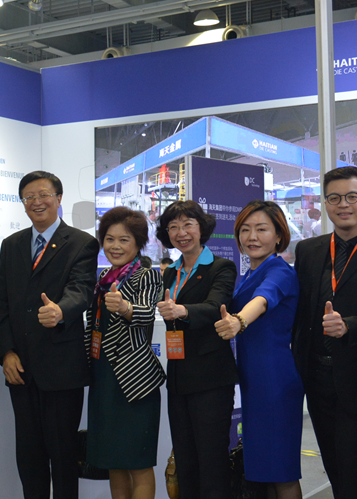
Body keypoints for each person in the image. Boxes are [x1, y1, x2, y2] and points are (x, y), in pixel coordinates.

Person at [0, 171, 99, 499]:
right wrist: (6, 352)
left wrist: (61, 311)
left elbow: (82, 290)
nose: (37, 202)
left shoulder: (81, 243)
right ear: (23, 203)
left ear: (59, 198)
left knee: (63, 458)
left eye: (44, 195)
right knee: (29, 458)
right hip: (21, 370)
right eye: (29, 197)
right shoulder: (11, 245)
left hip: (61, 370)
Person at [291, 167, 357, 499]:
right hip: (316, 375)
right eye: (334, 198)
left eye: (351, 197)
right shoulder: (308, 250)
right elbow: (301, 310)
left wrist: (350, 325)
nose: (343, 204)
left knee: (351, 466)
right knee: (332, 463)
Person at [215, 200, 303, 499]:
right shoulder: (251, 272)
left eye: (262, 229)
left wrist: (239, 321)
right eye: (245, 229)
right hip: (254, 378)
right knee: (263, 467)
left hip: (275, 379)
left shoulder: (279, 270)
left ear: (279, 236)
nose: (252, 237)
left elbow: (265, 298)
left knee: (281, 468)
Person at [155, 201, 238, 499]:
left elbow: (216, 306)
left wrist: (182, 310)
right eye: (173, 227)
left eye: (188, 224)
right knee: (185, 460)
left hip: (211, 378)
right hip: (178, 377)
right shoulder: (170, 272)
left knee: (212, 461)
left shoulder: (221, 267)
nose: (181, 233)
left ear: (201, 228)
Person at [85, 207, 165, 499]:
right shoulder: (104, 277)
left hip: (134, 382)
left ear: (138, 243)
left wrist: (125, 307)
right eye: (109, 239)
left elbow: (146, 313)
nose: (115, 246)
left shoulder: (147, 276)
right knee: (114, 462)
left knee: (138, 462)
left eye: (124, 240)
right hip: (103, 379)